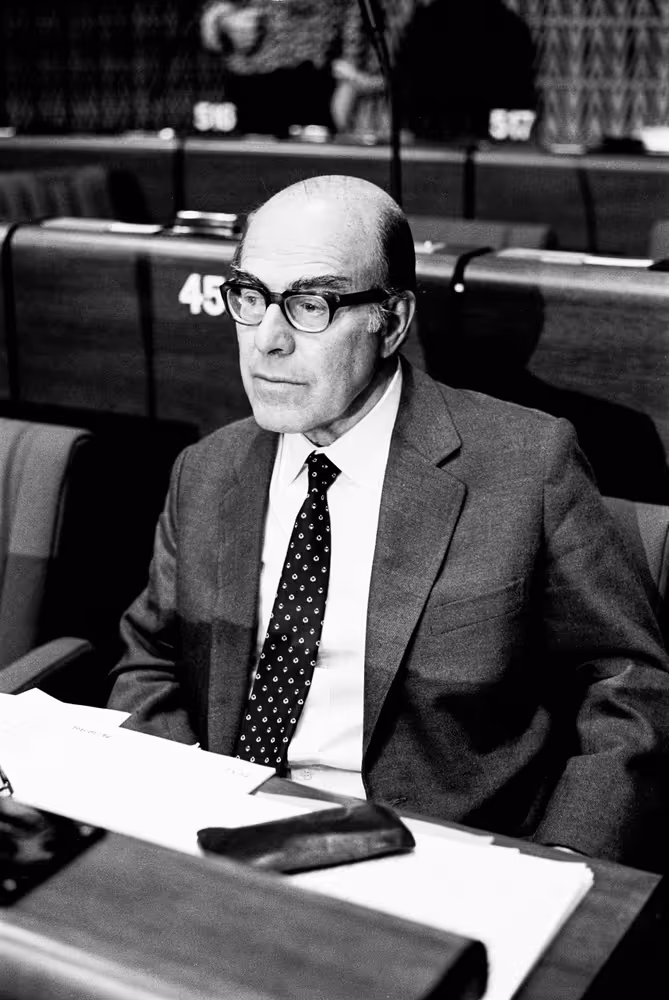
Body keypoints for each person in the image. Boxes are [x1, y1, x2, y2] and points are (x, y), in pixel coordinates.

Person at [108, 174, 669, 870]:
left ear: (392, 320)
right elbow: (152, 657)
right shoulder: (207, 469)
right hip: (228, 833)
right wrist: (168, 799)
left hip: (435, 849)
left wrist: (566, 863)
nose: (266, 341)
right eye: (249, 298)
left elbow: (626, 686)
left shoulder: (527, 463)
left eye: (309, 303)